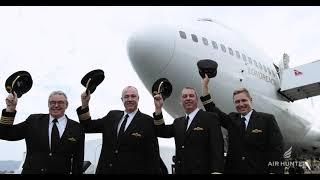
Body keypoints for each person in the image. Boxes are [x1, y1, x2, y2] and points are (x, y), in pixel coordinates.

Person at [200, 74, 284, 174]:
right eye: (237, 102)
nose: (241, 104)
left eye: (244, 100)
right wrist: (205, 86)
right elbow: (212, 109)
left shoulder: (267, 119)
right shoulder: (232, 119)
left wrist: (275, 171)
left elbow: (277, 149)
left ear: (251, 100)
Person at [77, 86, 161, 174]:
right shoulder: (111, 116)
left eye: (133, 96)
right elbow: (87, 126)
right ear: (122, 99)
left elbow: (153, 157)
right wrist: (85, 104)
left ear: (138, 98)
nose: (130, 99)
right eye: (126, 96)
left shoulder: (148, 121)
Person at [0, 91, 84, 174]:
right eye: (52, 102)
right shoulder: (33, 121)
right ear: (48, 104)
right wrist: (10, 108)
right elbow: (6, 134)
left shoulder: (77, 128)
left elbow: (78, 161)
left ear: (67, 105)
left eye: (60, 102)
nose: (56, 105)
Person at [153, 86, 224, 174]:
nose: (188, 98)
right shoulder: (178, 122)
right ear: (181, 101)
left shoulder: (210, 118)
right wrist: (158, 109)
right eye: (185, 96)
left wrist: (217, 171)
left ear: (197, 100)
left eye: (191, 96)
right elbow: (161, 131)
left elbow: (217, 147)